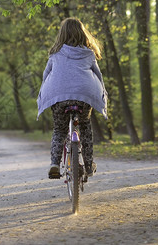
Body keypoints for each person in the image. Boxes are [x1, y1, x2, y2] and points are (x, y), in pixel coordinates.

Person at [37, 17, 107, 179]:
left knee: (60, 130)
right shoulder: (89, 54)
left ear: (62, 34)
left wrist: (44, 93)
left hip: (59, 96)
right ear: (83, 34)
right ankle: (89, 165)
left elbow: (46, 75)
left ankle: (55, 163)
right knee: (85, 128)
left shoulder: (55, 54)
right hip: (83, 96)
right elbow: (98, 76)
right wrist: (102, 95)